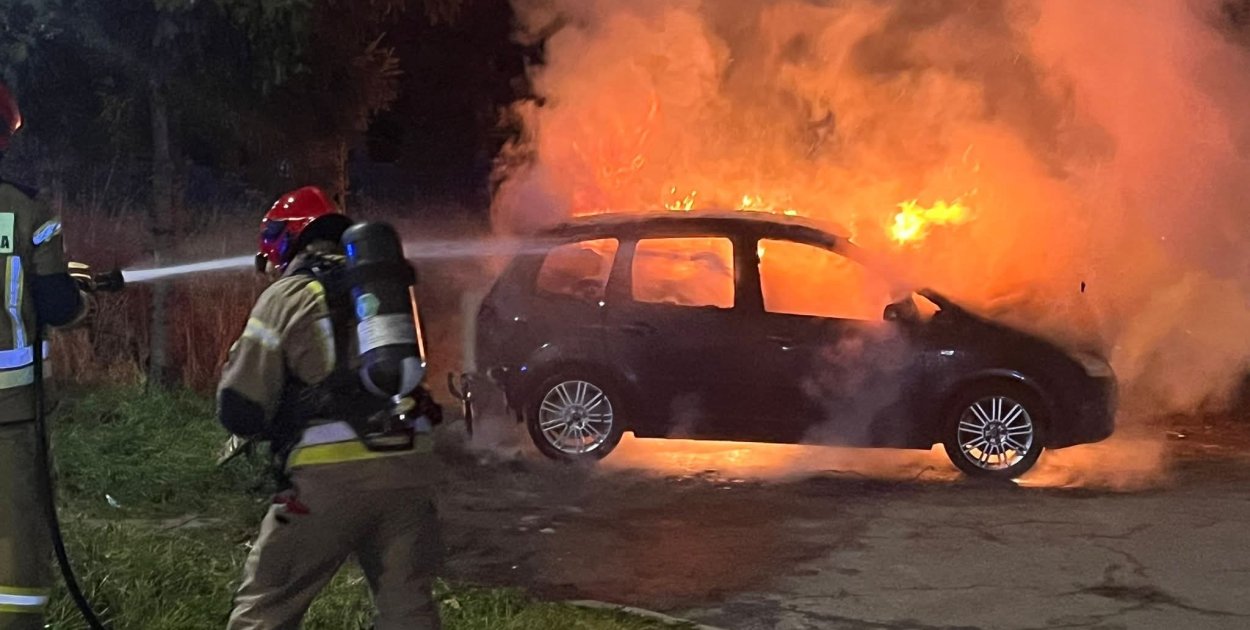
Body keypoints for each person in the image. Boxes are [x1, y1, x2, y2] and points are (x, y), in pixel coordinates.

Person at [218, 186, 443, 629]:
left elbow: (240, 406)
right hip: (411, 465)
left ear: (286, 240)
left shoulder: (287, 295)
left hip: (329, 476)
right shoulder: (381, 287)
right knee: (408, 609)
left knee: (266, 606)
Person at [0, 82, 90, 630]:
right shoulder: (29, 209)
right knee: (15, 546)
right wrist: (79, 302)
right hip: (10, 418)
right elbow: (57, 305)